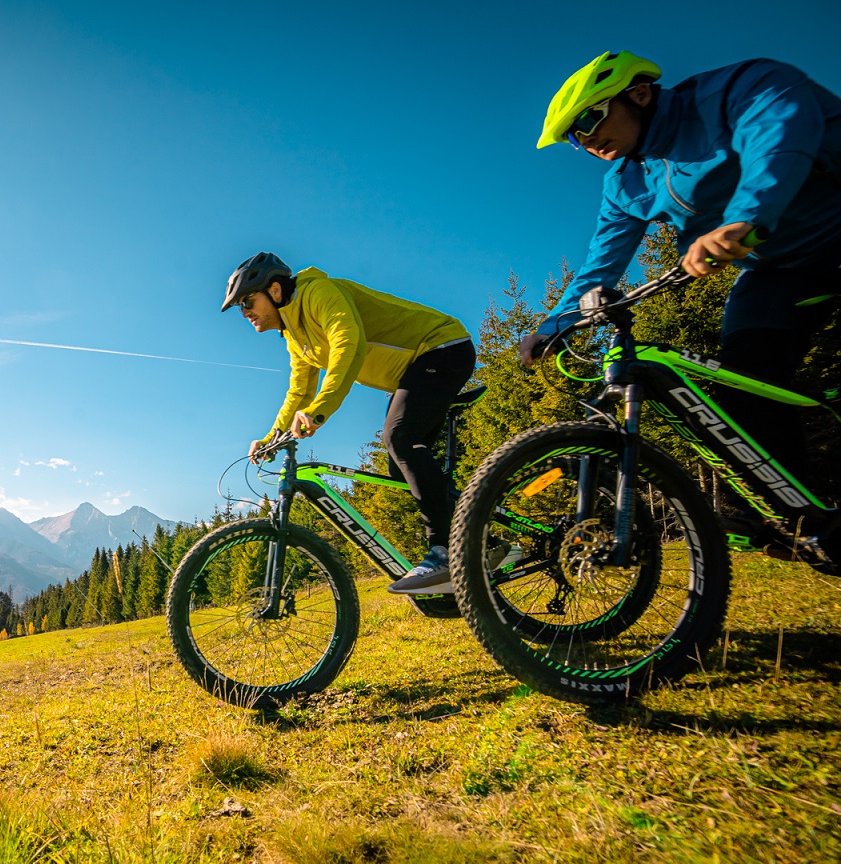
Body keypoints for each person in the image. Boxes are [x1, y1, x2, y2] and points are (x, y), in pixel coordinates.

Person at [521, 52, 841, 529]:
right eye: (573, 137)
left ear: (639, 93)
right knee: (747, 376)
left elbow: (777, 140)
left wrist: (744, 218)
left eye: (588, 120)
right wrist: (556, 325)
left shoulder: (738, 89)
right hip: (779, 270)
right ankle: (800, 522)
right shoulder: (626, 185)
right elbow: (601, 264)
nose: (585, 140)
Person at [223, 252, 476, 594]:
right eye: (240, 307)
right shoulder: (296, 336)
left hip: (441, 347)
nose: (245, 313)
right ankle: (481, 535)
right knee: (401, 467)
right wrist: (271, 438)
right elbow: (299, 391)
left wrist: (319, 411)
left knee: (400, 437)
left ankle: (444, 553)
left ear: (276, 291)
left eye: (247, 302)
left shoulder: (319, 293)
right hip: (413, 372)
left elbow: (348, 345)